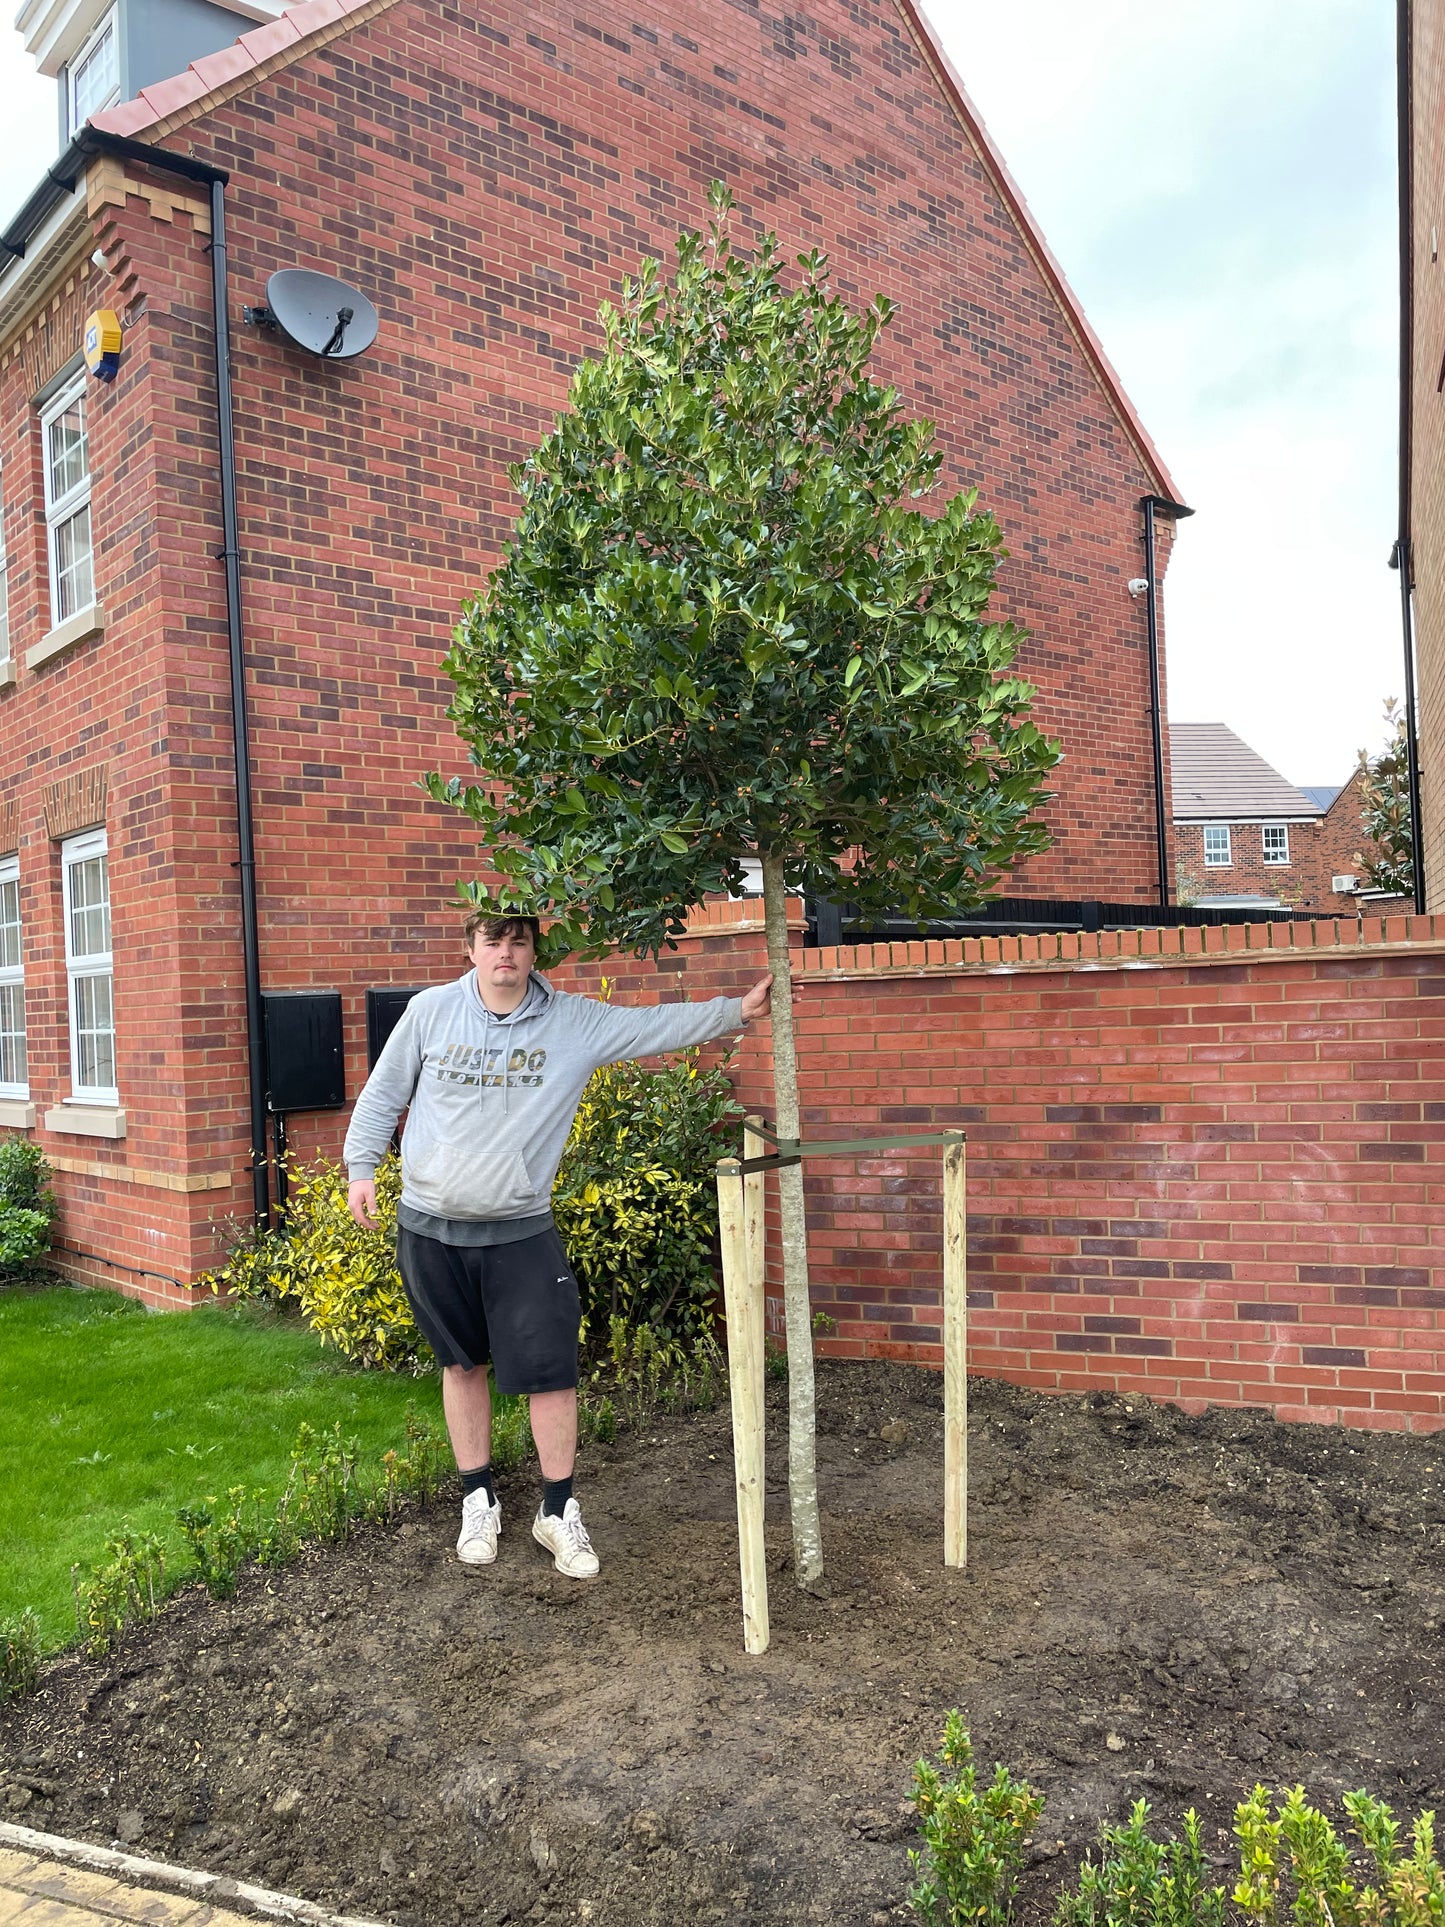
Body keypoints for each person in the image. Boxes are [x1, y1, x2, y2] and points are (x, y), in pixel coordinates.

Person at [345, 910, 772, 1580]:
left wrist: (735, 1010)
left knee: (551, 1375)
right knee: (461, 1366)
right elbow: (381, 1095)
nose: (505, 953)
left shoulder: (572, 1022)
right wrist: (361, 1167)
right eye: (493, 940)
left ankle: (556, 1509)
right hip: (430, 1228)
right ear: (471, 949)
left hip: (521, 1233)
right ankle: (477, 1497)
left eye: (518, 940)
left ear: (533, 949)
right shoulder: (430, 1012)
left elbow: (651, 1024)